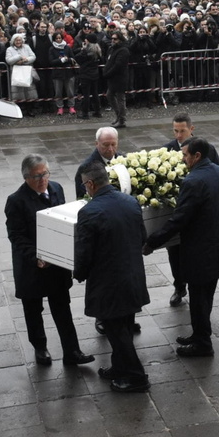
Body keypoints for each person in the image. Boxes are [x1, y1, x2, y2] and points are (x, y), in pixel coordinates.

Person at [143, 137, 219, 357]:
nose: (183, 159)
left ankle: (203, 344)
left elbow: (179, 219)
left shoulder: (193, 181)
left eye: (186, 155)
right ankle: (199, 334)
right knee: (206, 295)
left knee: (198, 299)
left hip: (201, 250)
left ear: (197, 156)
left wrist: (152, 242)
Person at [4, 154, 95, 367]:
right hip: (32, 266)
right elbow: (16, 236)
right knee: (33, 310)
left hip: (56, 264)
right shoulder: (16, 201)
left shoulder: (56, 188)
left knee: (62, 308)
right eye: (36, 176)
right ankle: (40, 347)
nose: (42, 179)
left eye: (45, 174)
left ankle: (72, 351)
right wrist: (36, 257)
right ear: (26, 177)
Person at [73, 162, 150, 392]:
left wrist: (79, 273)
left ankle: (136, 377)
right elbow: (142, 237)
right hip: (132, 276)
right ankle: (119, 367)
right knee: (124, 326)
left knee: (116, 332)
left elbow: (84, 251)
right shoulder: (130, 201)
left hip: (108, 283)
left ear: (90, 184)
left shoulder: (89, 212)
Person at [162, 112, 219, 306]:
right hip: (178, 208)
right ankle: (179, 286)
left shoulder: (207, 149)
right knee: (174, 252)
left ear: (191, 129)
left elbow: (217, 173)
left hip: (198, 210)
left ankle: (199, 286)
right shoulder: (167, 149)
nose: (178, 135)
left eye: (182, 131)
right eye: (175, 131)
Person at [74, 126, 119, 199]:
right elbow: (81, 198)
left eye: (113, 144)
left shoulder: (124, 159)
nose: (110, 149)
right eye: (106, 145)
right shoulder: (86, 168)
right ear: (96, 143)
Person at [104, 30, 129, 128]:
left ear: (120, 40)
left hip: (120, 78)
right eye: (112, 39)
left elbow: (118, 65)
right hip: (112, 78)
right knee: (109, 95)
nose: (113, 40)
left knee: (120, 99)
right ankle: (119, 116)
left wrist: (108, 73)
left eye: (115, 39)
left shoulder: (123, 50)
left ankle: (122, 119)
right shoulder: (112, 49)